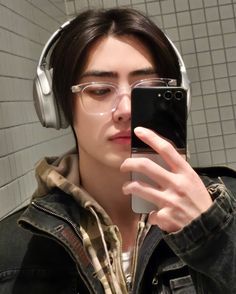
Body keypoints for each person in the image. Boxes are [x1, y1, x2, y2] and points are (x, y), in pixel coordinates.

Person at [0, 8, 236, 294]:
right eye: (99, 90)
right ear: (59, 108)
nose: (126, 109)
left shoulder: (228, 209)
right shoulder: (12, 250)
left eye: (147, 88)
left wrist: (215, 239)